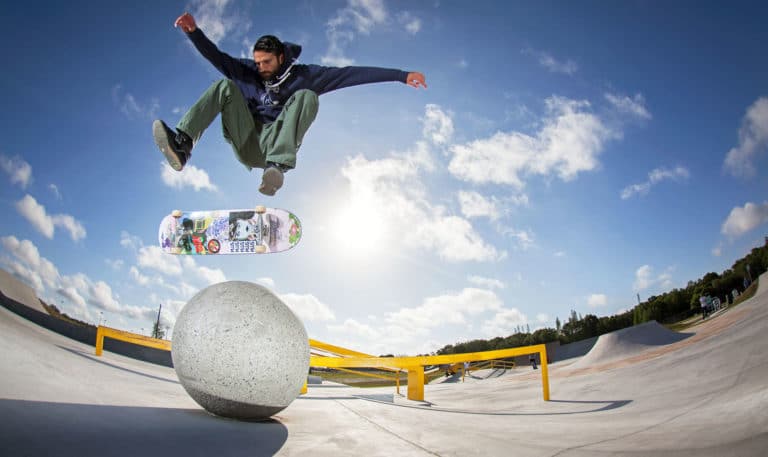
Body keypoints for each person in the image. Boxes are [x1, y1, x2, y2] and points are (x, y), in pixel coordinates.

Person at [153, 12, 427, 196]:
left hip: (276, 145)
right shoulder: (247, 71)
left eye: (267, 63)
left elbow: (350, 74)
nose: (261, 68)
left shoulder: (308, 75)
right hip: (247, 139)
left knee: (307, 95)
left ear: (281, 57)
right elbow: (217, 57)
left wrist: (401, 76)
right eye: (258, 62)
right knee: (225, 85)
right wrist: (194, 32)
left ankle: (277, 168)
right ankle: (183, 144)